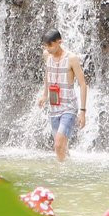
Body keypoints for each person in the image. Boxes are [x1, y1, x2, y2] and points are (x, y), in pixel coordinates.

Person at [36, 30, 89, 163]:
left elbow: (83, 84)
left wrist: (82, 112)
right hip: (54, 106)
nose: (47, 49)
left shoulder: (71, 59)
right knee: (62, 147)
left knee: (58, 145)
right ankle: (68, 169)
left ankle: (60, 173)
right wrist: (44, 95)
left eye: (50, 45)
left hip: (69, 107)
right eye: (45, 46)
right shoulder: (47, 55)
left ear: (59, 42)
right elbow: (48, 74)